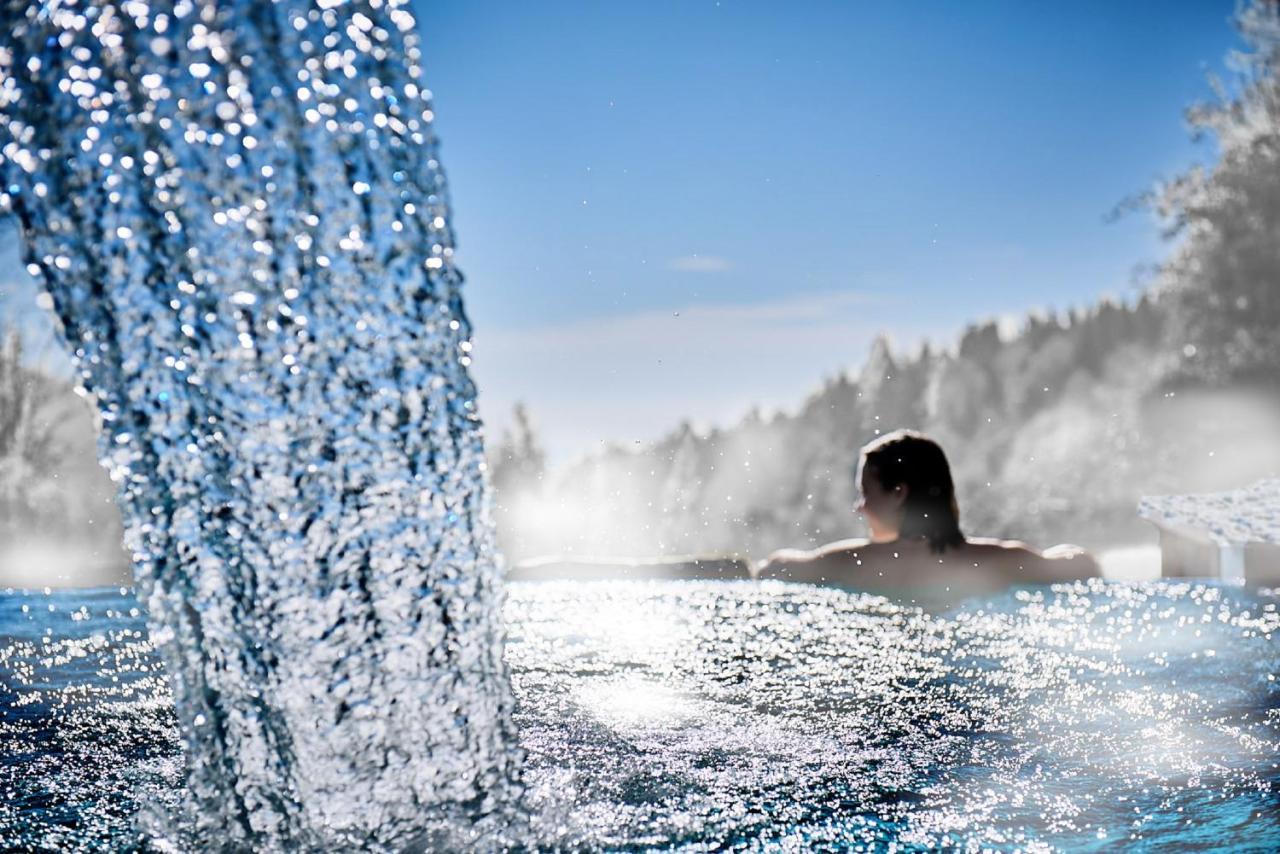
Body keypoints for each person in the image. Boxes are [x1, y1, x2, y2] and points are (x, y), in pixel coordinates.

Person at [755, 429, 1099, 603]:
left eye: (865, 493)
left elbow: (772, 569)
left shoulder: (851, 564)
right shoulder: (994, 561)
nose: (859, 506)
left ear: (899, 493)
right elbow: (1082, 564)